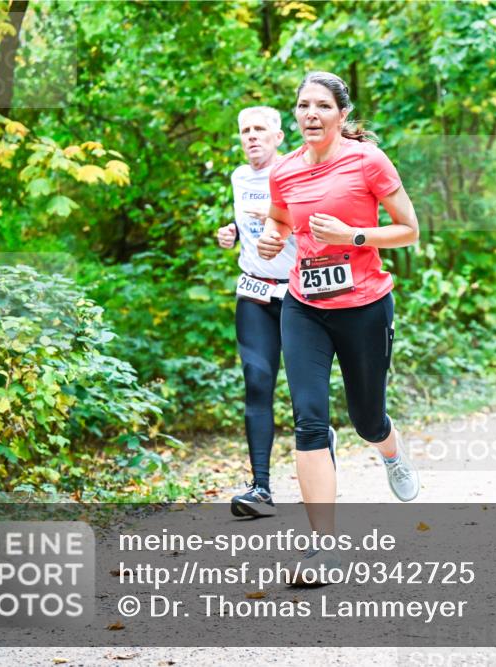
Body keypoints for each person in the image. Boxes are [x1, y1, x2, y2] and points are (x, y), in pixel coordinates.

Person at [257, 71, 421, 576]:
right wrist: (269, 237)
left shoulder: (367, 161)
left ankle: (390, 450)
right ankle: (323, 547)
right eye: (303, 105)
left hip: (365, 306)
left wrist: (353, 236)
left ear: (341, 115)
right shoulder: (283, 171)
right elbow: (280, 219)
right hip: (304, 305)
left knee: (367, 418)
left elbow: (409, 230)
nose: (311, 114)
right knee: (309, 419)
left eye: (322, 106)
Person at [216, 106, 300, 518]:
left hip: (299, 295)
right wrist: (229, 234)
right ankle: (261, 488)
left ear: (278, 136)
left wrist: (274, 219)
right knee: (257, 381)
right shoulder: (237, 177)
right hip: (253, 290)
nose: (252, 137)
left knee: (304, 391)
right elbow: (242, 224)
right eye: (245, 130)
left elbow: (313, 223)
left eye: (260, 130)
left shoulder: (297, 171)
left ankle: (321, 463)